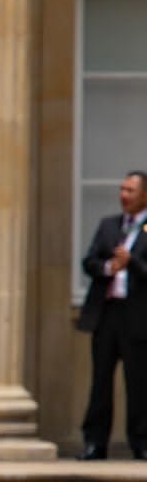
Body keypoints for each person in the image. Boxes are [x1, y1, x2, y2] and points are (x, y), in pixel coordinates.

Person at [76, 170, 147, 460]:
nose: (124, 195)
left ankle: (141, 442)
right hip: (107, 314)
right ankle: (95, 442)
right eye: (122, 189)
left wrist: (134, 263)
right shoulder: (109, 226)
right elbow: (90, 261)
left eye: (130, 190)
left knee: (139, 382)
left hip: (138, 315)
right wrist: (107, 268)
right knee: (101, 381)